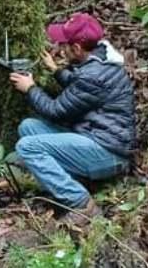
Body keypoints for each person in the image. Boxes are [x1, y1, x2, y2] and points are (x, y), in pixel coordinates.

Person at [9, 13, 136, 223]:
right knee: (28, 127)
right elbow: (81, 86)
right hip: (95, 138)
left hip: (109, 153)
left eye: (64, 44)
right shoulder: (101, 59)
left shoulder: (92, 76)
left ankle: (81, 203)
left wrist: (30, 88)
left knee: (27, 147)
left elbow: (55, 111)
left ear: (76, 48)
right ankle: (72, 181)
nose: (60, 48)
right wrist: (56, 70)